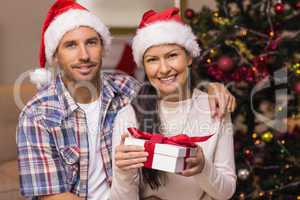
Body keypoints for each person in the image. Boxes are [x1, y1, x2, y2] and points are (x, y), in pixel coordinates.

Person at [16, 1, 235, 199]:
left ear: (103, 48)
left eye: (91, 42)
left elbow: (168, 88)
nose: (84, 55)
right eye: (71, 45)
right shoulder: (37, 115)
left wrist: (213, 90)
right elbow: (52, 196)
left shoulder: (126, 90)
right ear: (55, 56)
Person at [111, 7, 236, 200]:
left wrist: (203, 167)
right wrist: (123, 172)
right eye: (152, 60)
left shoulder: (215, 107)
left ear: (189, 57)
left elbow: (226, 192)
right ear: (144, 66)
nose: (163, 69)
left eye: (172, 56)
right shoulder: (128, 115)